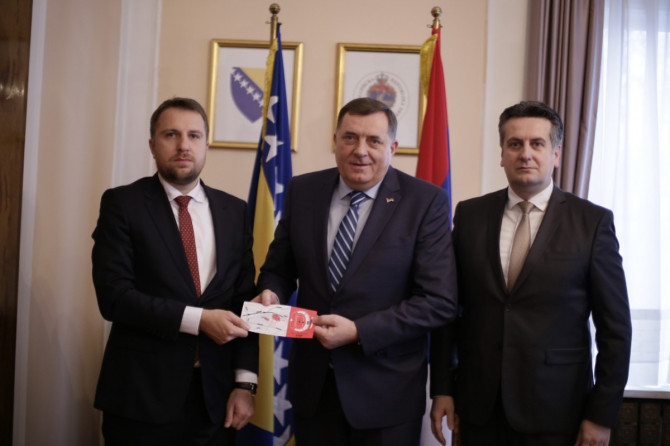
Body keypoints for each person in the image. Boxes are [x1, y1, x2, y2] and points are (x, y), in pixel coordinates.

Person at [253, 97, 458, 446]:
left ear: (392, 147)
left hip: (386, 397)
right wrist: (271, 291)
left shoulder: (425, 202)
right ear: (335, 140)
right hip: (313, 392)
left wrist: (359, 331)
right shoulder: (303, 191)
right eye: (350, 137)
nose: (360, 150)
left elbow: (438, 302)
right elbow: (279, 268)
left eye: (374, 141)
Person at [429, 101, 632, 446]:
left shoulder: (592, 222)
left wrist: (601, 414)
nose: (525, 154)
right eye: (515, 144)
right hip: (479, 407)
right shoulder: (470, 215)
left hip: (557, 411)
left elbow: (616, 330)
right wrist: (443, 389)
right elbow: (449, 312)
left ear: (556, 154)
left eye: (537, 143)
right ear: (502, 154)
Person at [92, 97, 258, 446]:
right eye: (171, 134)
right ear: (152, 145)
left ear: (207, 144)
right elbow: (114, 298)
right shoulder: (122, 204)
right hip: (140, 398)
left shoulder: (235, 211)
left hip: (215, 401)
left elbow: (244, 303)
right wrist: (200, 320)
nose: (184, 145)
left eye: (194, 135)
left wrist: (245, 384)